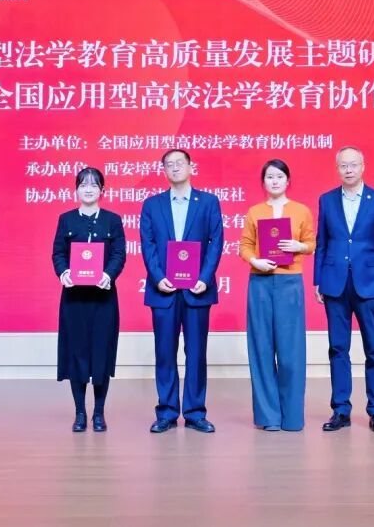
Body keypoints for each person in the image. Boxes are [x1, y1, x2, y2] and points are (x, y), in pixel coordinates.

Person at [314, 146, 374, 434]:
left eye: (353, 165)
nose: (348, 170)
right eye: (343, 165)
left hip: (370, 283)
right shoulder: (326, 200)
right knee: (338, 349)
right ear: (337, 168)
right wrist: (318, 280)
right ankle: (341, 410)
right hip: (335, 284)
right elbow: (322, 243)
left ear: (363, 167)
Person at [139, 149, 224, 434]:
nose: (175, 168)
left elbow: (216, 242)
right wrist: (158, 277)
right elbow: (148, 244)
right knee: (165, 353)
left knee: (196, 353)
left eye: (179, 163)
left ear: (191, 166)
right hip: (163, 290)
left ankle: (195, 412)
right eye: (169, 164)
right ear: (163, 170)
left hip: (197, 289)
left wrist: (205, 277)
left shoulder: (208, 202)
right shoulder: (152, 205)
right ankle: (166, 412)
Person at [239, 159, 316, 432]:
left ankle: (292, 417)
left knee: (290, 351)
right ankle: (268, 417)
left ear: (288, 180)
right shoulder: (254, 212)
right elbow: (245, 245)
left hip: (289, 283)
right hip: (260, 282)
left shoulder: (301, 211)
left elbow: (312, 243)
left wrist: (299, 246)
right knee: (261, 348)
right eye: (270, 177)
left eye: (279, 176)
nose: (274, 181)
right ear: (263, 182)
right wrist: (255, 261)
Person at [51, 167, 126, 433]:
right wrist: (64, 272)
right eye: (83, 185)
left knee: (101, 353)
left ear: (102, 190)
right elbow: (58, 253)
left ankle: (99, 413)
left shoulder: (112, 220)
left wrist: (108, 275)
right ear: (76, 190)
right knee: (77, 353)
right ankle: (80, 412)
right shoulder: (66, 220)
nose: (89, 189)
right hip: (74, 299)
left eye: (94, 185)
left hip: (104, 298)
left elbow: (119, 253)